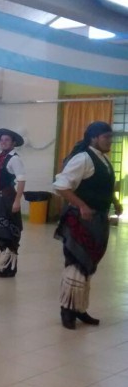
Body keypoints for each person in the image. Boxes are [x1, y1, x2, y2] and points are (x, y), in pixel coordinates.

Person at [53, 121, 122, 329]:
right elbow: (61, 186)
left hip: (97, 220)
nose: (110, 141)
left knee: (87, 265)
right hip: (78, 220)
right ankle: (67, 311)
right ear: (93, 138)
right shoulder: (83, 158)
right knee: (76, 263)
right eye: (106, 137)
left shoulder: (104, 160)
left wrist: (115, 202)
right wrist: (82, 205)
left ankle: (80, 308)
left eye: (110, 137)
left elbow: (104, 189)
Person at [0, 128, 26, 278]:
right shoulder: (1, 157)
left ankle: (11, 267)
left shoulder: (14, 159)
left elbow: (21, 180)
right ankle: (4, 264)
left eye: (7, 140)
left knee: (8, 233)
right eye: (1, 140)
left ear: (13, 143)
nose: (3, 142)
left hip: (8, 199)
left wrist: (17, 201)